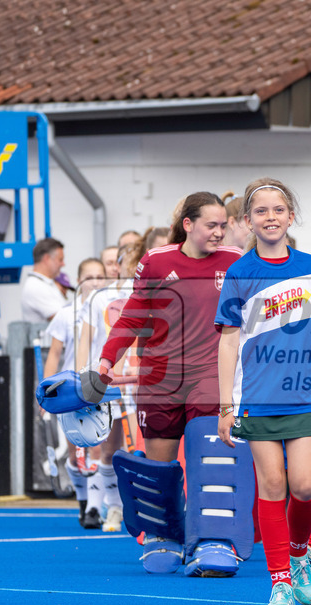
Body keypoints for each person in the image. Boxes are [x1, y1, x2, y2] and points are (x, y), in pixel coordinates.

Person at [216, 178, 311, 605]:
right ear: (247, 220)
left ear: (290, 217)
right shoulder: (240, 273)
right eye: (261, 211)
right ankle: (278, 583)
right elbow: (228, 342)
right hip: (256, 398)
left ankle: (300, 554)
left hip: (303, 397)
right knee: (272, 486)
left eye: (278, 210)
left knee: (306, 485)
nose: (270, 217)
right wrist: (224, 405)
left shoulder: (310, 266)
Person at [96, 192, 243, 575]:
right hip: (159, 380)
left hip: (210, 377)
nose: (218, 232)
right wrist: (107, 359)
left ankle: (213, 539)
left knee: (211, 462)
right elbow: (132, 317)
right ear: (189, 225)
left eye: (223, 225)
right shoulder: (156, 262)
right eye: (211, 225)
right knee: (161, 467)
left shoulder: (234, 262)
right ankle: (165, 536)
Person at [77, 241, 147, 532]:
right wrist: (83, 378)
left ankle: (141, 508)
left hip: (141, 381)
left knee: (141, 449)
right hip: (110, 380)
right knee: (109, 449)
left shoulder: (151, 292)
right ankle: (113, 506)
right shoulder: (102, 298)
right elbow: (86, 341)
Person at [42, 257, 108, 525]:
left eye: (99, 277)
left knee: (98, 448)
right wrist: (46, 392)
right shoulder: (65, 314)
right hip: (72, 390)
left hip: (102, 389)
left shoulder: (110, 310)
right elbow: (54, 355)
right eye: (89, 277)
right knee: (74, 451)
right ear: (79, 281)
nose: (94, 282)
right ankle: (83, 499)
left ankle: (94, 509)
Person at [21, 237, 68, 322]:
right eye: (60, 260)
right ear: (47, 258)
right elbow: (63, 319)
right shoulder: (36, 286)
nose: (63, 264)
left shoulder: (46, 283)